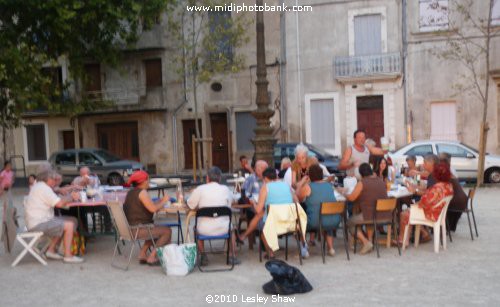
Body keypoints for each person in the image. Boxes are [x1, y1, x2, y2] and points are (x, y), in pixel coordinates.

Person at [238, 167, 307, 259]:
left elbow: (258, 209)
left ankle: (270, 252)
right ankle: (244, 236)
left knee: (262, 225)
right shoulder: (286, 185)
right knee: (262, 214)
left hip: (274, 223)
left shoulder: (265, 187)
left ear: (265, 178)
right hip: (290, 222)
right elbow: (296, 201)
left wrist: (253, 203)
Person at [24, 170, 84, 263]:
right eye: (54, 179)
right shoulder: (44, 189)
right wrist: (72, 197)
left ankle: (51, 250)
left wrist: (68, 197)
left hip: (40, 220)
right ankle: (68, 256)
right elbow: (59, 204)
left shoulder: (41, 186)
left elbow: (57, 200)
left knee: (72, 220)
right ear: (48, 179)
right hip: (38, 224)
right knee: (69, 225)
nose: (55, 181)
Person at [187, 166, 240, 265]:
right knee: (232, 229)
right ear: (220, 178)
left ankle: (203, 255)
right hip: (224, 228)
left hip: (204, 230)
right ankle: (232, 256)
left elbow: (190, 204)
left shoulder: (200, 189)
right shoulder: (225, 189)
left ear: (207, 178)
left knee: (195, 228)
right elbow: (233, 200)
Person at [398, 161, 454, 246]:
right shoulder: (448, 185)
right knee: (410, 210)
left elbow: (424, 202)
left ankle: (403, 240)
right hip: (439, 213)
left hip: (431, 214)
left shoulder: (437, 187)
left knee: (404, 214)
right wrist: (415, 189)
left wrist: (414, 196)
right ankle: (422, 234)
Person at [123, 170, 172, 265]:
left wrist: (160, 201)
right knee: (167, 231)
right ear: (144, 181)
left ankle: (142, 254)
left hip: (130, 228)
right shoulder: (142, 193)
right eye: (148, 180)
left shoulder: (131, 192)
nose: (149, 182)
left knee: (154, 227)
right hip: (138, 229)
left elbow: (149, 206)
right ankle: (152, 257)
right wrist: (165, 200)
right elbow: (153, 209)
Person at [343, 163, 389, 255]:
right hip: (385, 215)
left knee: (350, 222)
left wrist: (343, 193)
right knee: (367, 217)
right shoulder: (381, 181)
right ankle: (369, 240)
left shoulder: (362, 183)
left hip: (371, 215)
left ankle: (366, 242)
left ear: (361, 174)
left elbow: (352, 198)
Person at [296, 164, 340, 256]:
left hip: (315, 222)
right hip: (334, 221)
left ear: (310, 175)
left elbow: (298, 198)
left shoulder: (308, 187)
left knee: (299, 223)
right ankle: (331, 248)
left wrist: (302, 182)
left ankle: (304, 249)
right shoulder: (329, 186)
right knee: (326, 218)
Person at [438, 155, 467, 232]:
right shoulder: (451, 174)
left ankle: (438, 227)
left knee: (438, 204)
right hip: (463, 202)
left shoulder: (446, 175)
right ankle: (446, 227)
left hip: (456, 203)